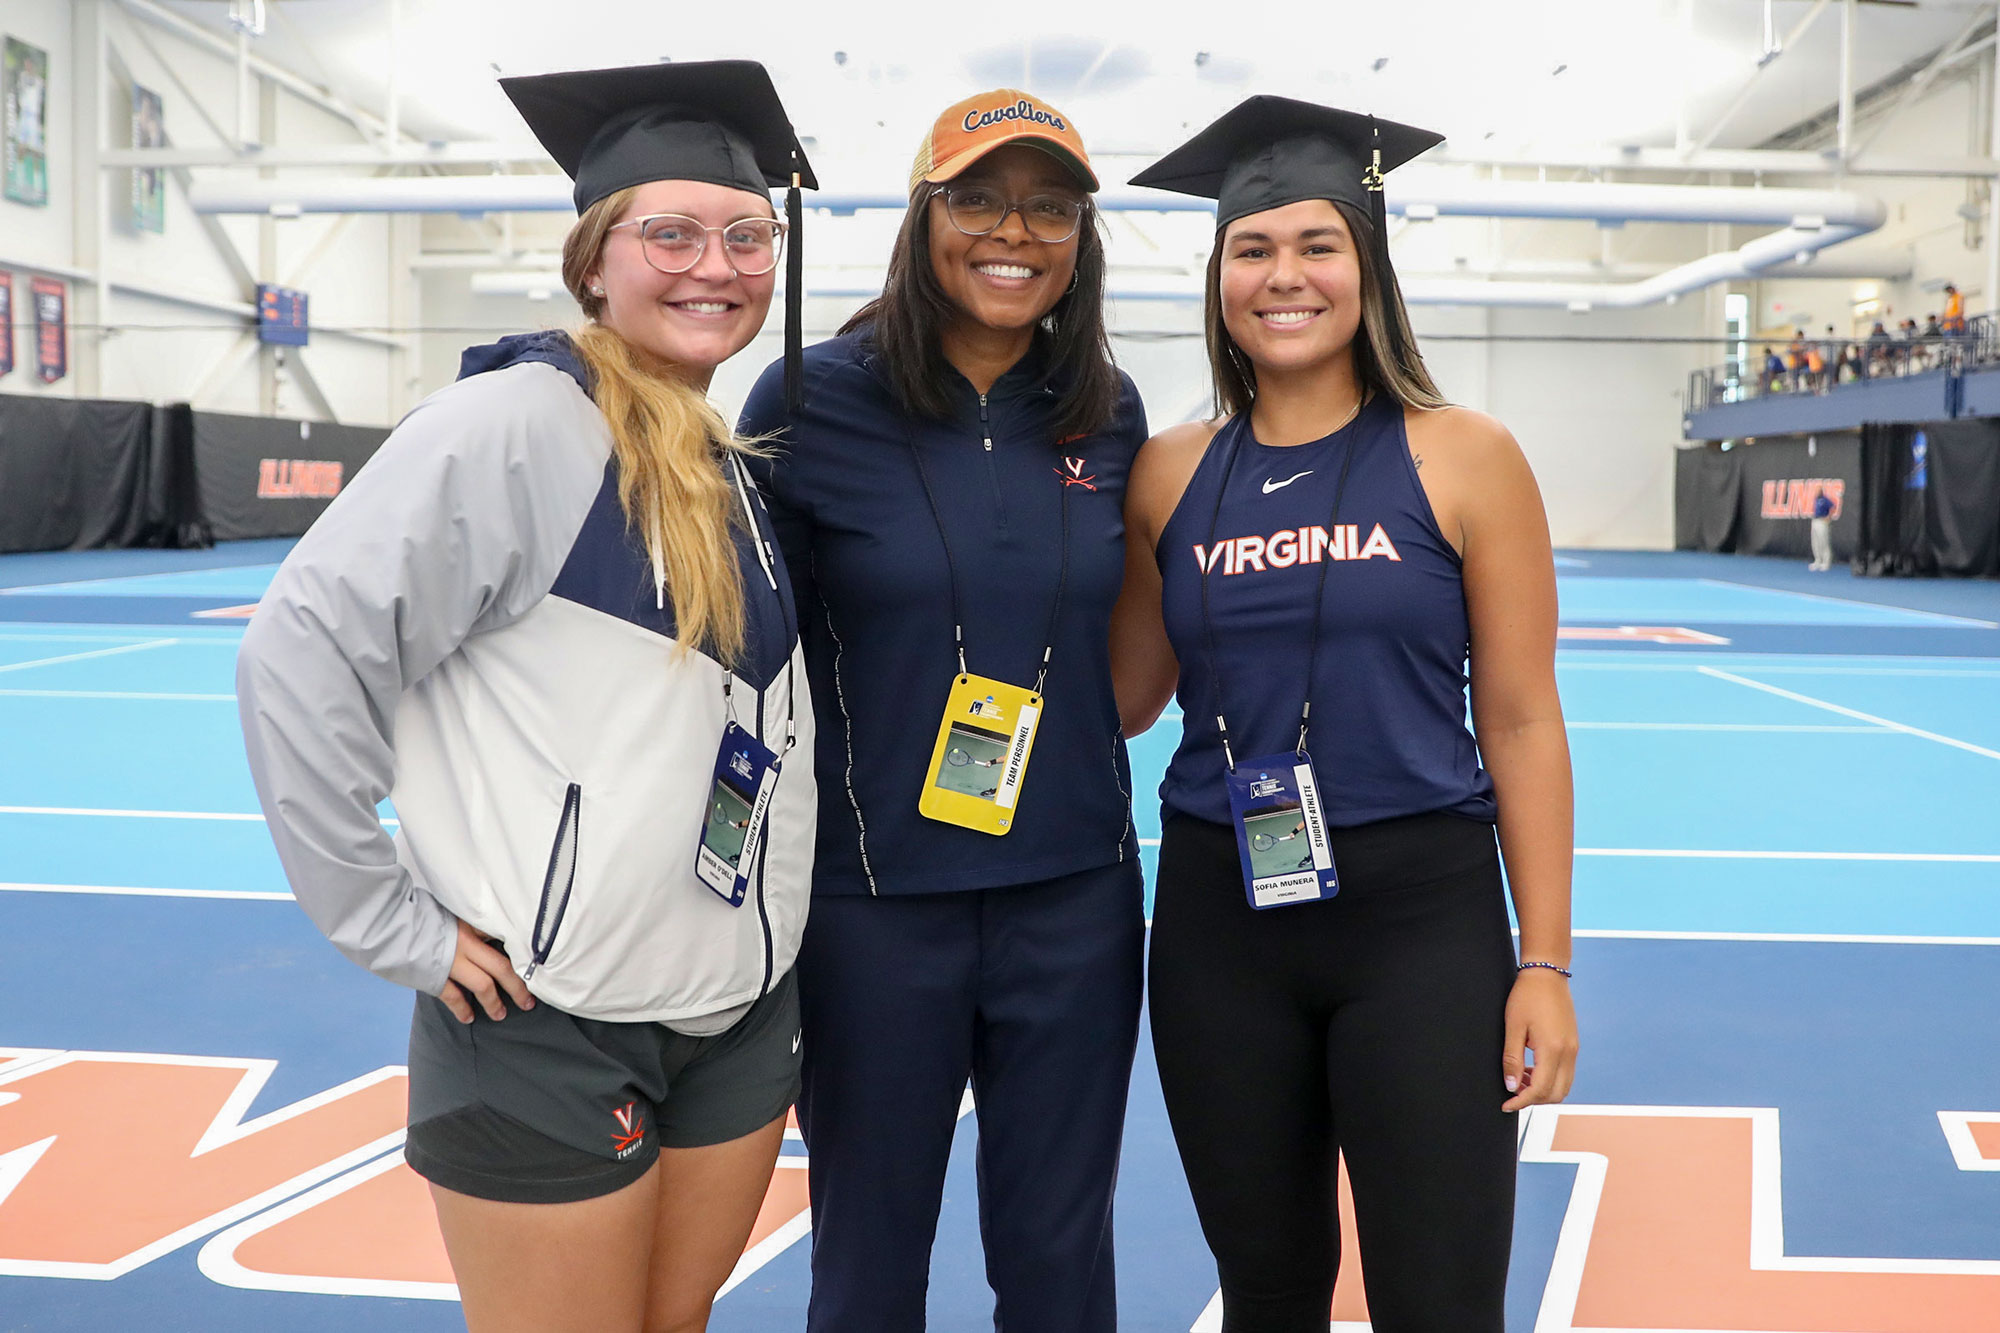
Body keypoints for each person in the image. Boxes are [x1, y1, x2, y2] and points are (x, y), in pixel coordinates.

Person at [237, 61, 819, 1333]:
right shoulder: (511, 424)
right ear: (593, 260)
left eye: (743, 235)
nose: (711, 264)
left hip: (728, 1012)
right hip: (550, 1023)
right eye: (666, 233)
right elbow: (299, 649)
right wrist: (394, 923)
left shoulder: (723, 459)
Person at [1115, 97, 1579, 1331]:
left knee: (1439, 1296)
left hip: (1419, 922)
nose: (1283, 277)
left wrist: (1542, 958)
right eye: (1250, 250)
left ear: (1366, 267)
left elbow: (1523, 718)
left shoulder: (1463, 454)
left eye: (1316, 246)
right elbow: (1128, 696)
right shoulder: (1168, 472)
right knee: (1266, 1291)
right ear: (1217, 276)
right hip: (1221, 922)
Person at [738, 89, 1148, 1332]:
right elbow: (752, 663)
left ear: (1079, 237)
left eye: (1048, 206)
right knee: (866, 1259)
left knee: (1057, 1259)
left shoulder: (1108, 407)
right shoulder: (805, 401)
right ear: (924, 218)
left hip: (1073, 901)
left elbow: (1128, 668)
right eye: (975, 197)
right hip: (873, 911)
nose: (1011, 230)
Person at [1810, 489, 1836, 571]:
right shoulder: (1816, 499)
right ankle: (1817, 560)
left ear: (1821, 491)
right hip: (1815, 521)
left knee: (1823, 542)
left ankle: (1826, 562)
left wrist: (1828, 517)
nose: (1816, 492)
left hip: (1822, 522)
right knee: (1815, 541)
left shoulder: (1825, 500)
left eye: (1817, 491)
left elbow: (1833, 507)